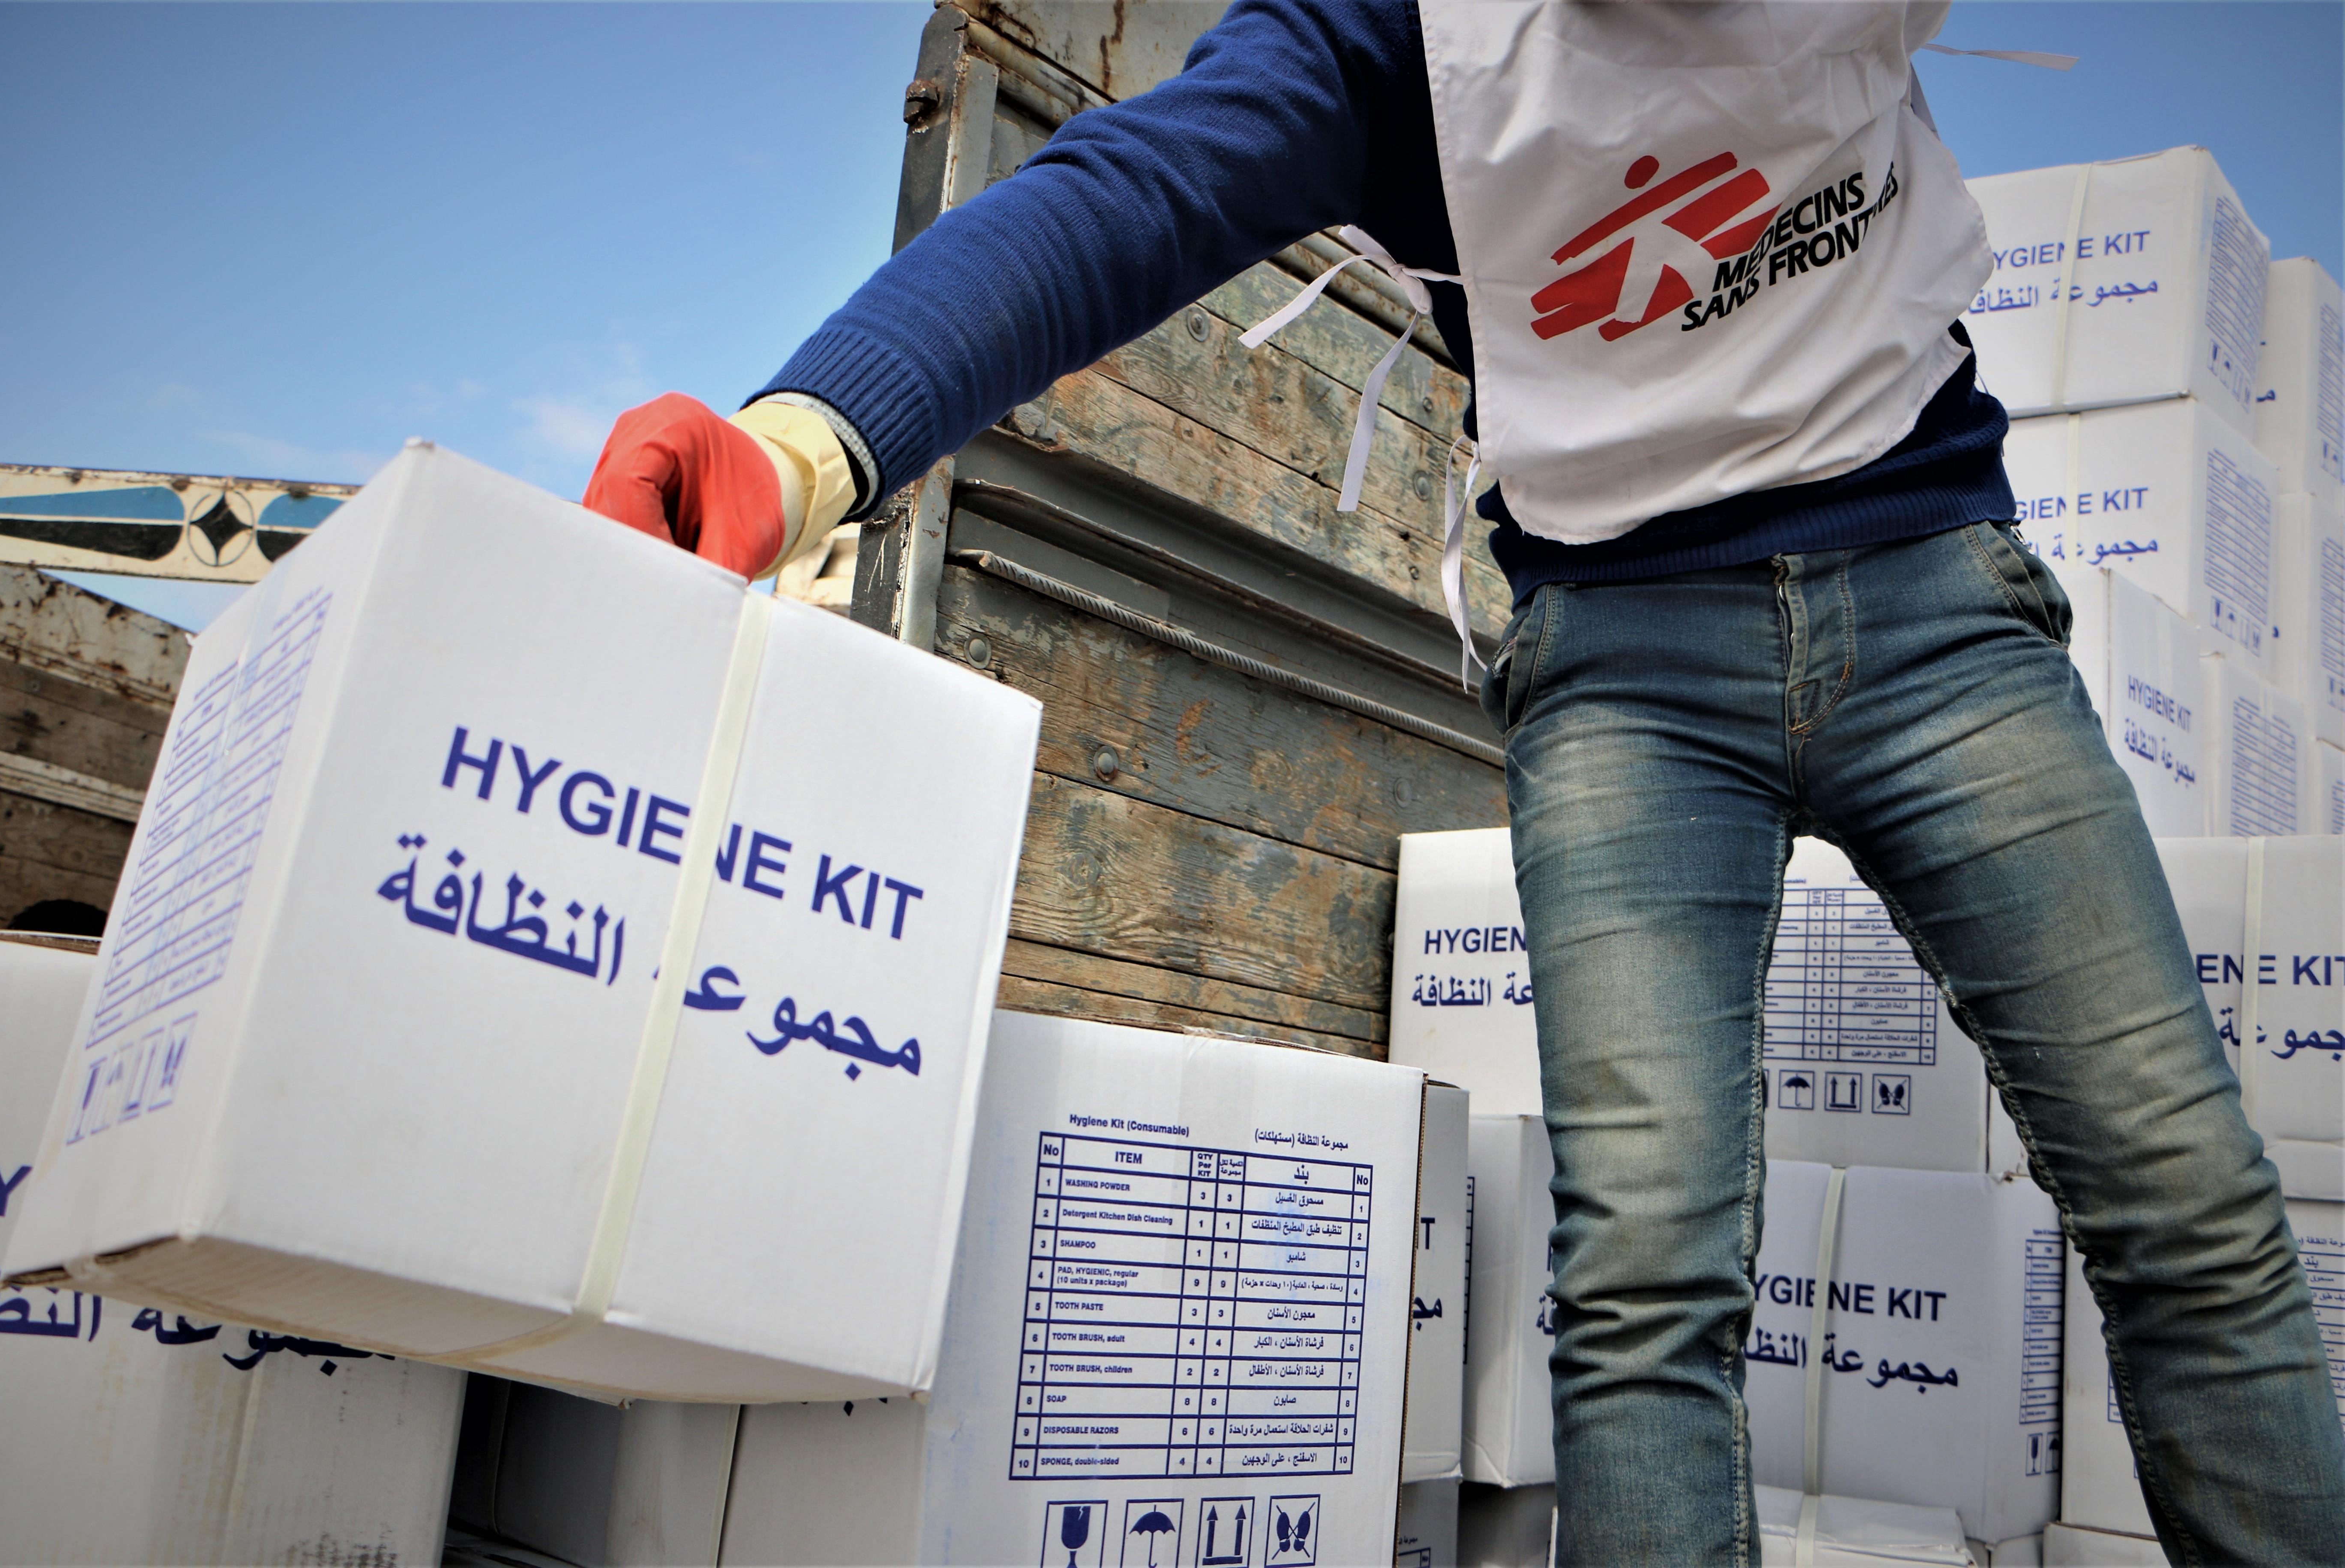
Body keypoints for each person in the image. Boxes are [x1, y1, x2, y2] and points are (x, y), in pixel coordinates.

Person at [583, 4, 2345, 1561]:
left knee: (2186, 1206)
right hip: (1627, 665)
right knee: (1648, 1288)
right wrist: (814, 436)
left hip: (1935, 596)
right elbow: (1130, 197)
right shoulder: (1386, 37)